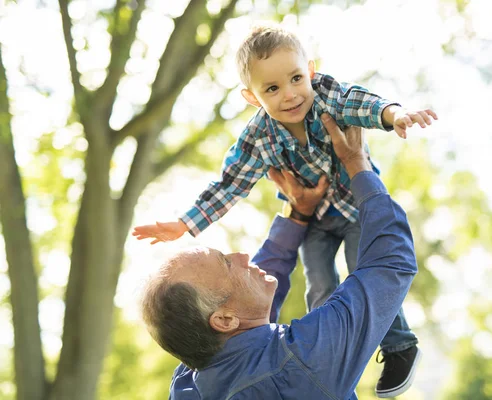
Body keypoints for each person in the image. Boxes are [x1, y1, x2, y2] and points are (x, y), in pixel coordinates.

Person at [133, 23, 436, 396]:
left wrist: (395, 114)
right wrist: (357, 165)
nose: (289, 95)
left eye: (296, 79)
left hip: (339, 209)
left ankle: (397, 344)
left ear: (310, 70)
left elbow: (361, 103)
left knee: (352, 266)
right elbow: (232, 183)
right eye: (272, 89)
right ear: (252, 97)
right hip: (326, 221)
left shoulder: (189, 380)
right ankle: (379, 347)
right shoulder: (258, 136)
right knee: (323, 284)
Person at [139, 116, 419, 399]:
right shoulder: (301, 362)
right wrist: (357, 164)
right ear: (224, 320)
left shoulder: (189, 381)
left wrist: (298, 214)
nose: (243, 256)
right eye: (227, 264)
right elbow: (391, 263)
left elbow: (250, 308)